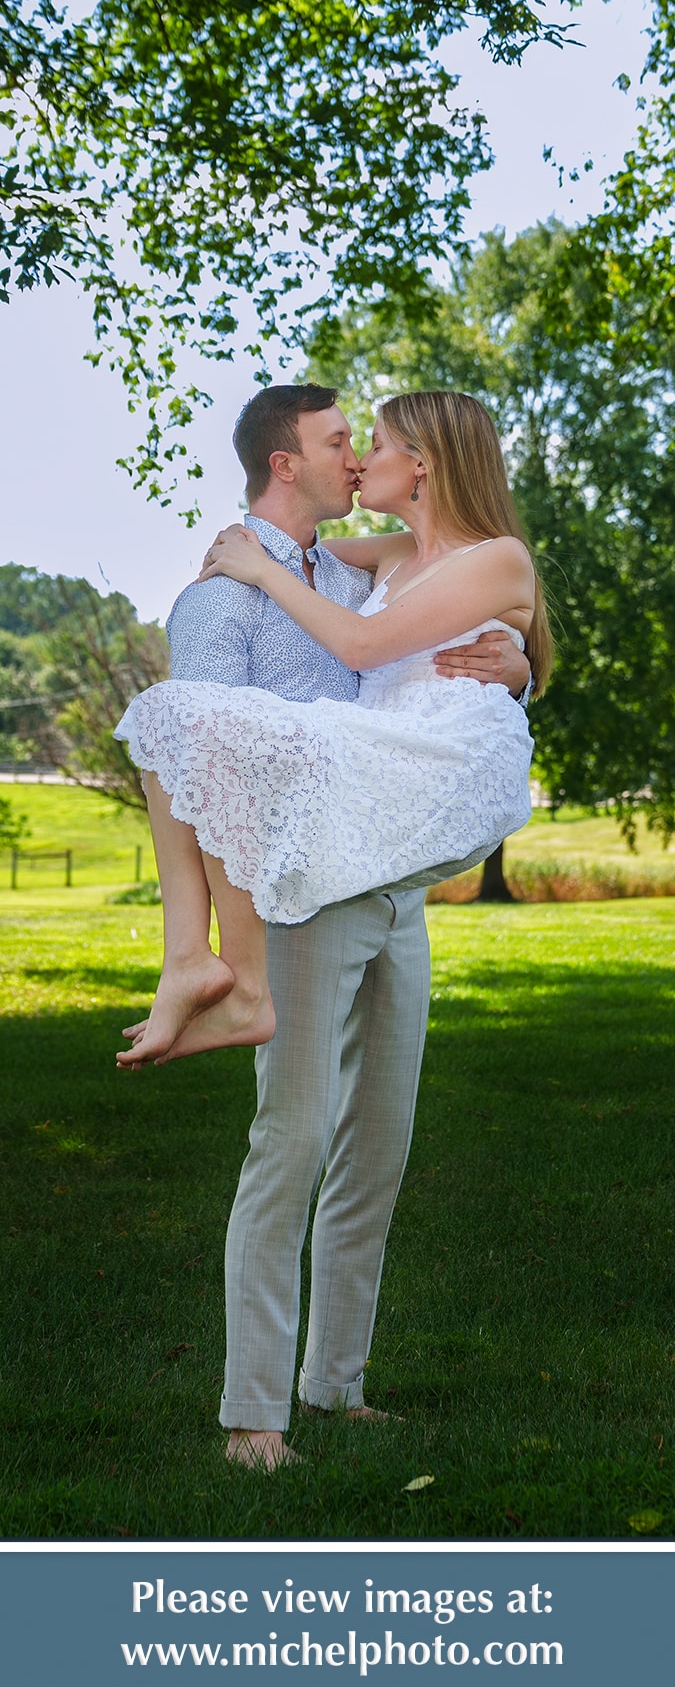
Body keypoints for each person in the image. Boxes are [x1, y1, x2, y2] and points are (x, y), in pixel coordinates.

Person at [116, 385, 542, 1468]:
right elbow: (209, 759)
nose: (359, 458)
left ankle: (335, 1385)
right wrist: (248, 563)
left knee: (376, 1146)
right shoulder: (260, 589)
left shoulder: (387, 566)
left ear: (423, 465)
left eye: (374, 442)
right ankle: (253, 1417)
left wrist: (525, 664)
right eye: (344, 443)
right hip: (310, 888)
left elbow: (439, 630)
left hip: (394, 881)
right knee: (292, 1139)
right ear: (286, 461)